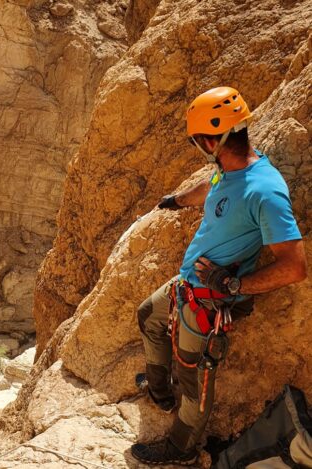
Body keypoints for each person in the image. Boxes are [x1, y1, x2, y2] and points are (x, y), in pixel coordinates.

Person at [130, 86, 307, 465]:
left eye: (197, 140)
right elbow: (211, 190)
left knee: (195, 381)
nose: (198, 145)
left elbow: (294, 267)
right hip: (189, 284)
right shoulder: (227, 168)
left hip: (211, 299)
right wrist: (176, 201)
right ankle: (160, 392)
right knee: (148, 315)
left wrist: (232, 285)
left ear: (212, 139)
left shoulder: (265, 190)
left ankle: (182, 449)